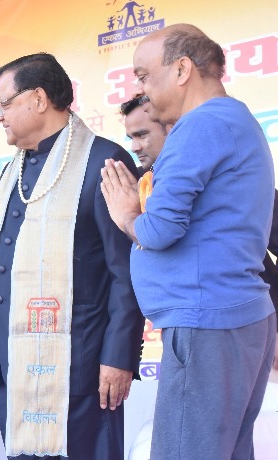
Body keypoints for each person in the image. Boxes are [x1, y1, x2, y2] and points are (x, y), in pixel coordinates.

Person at [100, 24, 275, 459]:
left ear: (181, 70)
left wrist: (127, 214)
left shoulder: (199, 125)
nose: (141, 88)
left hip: (206, 320)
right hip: (228, 316)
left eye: (143, 75)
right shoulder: (234, 119)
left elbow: (159, 230)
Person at [0, 53, 144, 459]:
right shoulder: (12, 171)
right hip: (14, 362)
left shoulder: (103, 161)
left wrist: (118, 356)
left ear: (39, 99)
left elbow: (127, 271)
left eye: (3, 104)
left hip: (82, 364)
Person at [120, 95, 168, 173]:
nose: (134, 148)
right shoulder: (139, 176)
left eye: (141, 135)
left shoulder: (187, 171)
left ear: (169, 127)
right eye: (131, 138)